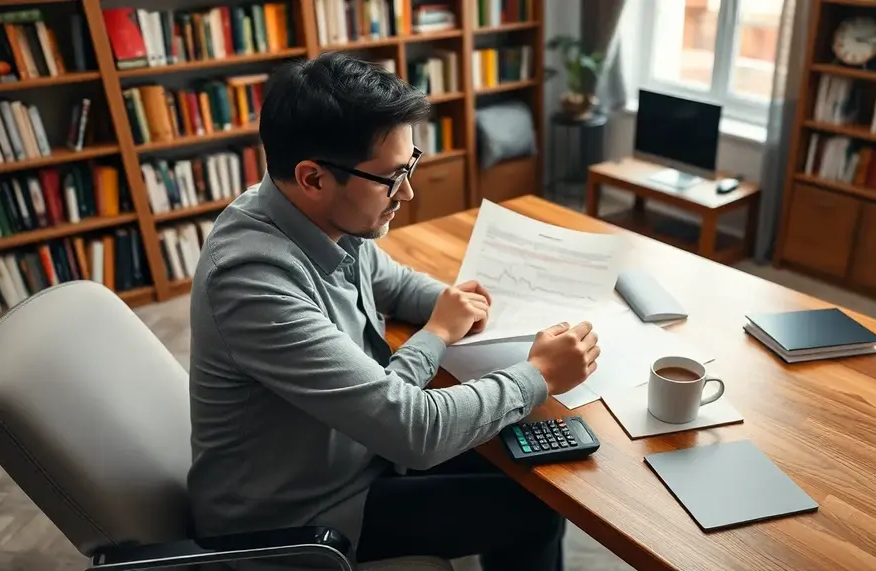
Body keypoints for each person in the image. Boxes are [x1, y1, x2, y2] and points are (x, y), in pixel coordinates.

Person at [186, 51, 601, 571]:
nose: (407, 191)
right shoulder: (251, 282)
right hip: (298, 518)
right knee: (534, 507)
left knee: (530, 466)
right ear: (313, 178)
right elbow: (414, 432)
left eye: (410, 165)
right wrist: (536, 374)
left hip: (356, 457)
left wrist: (466, 306)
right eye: (390, 178)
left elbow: (394, 281)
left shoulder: (314, 212)